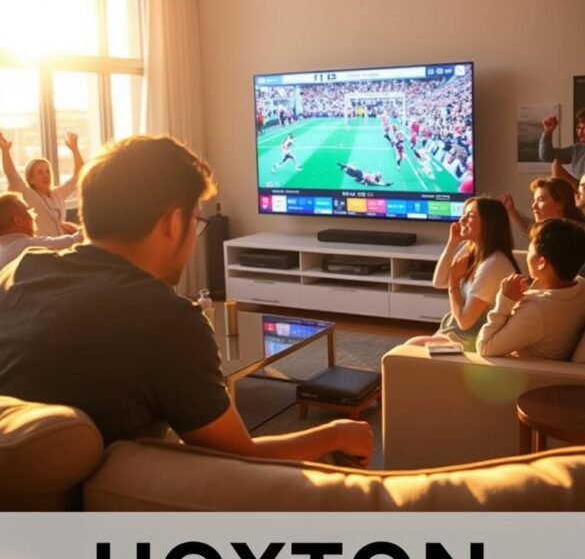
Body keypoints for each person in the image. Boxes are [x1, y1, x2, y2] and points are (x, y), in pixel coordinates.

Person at [0, 135, 373, 465]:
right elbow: (236, 458)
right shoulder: (167, 318)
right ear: (173, 223)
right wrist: (336, 434)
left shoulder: (20, 271)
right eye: (196, 221)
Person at [405, 197, 519, 350]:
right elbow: (438, 282)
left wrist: (454, 282)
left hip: (471, 342)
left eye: (470, 216)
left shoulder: (494, 264)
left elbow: (465, 322)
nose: (462, 219)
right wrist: (453, 242)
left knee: (411, 347)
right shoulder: (472, 249)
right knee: (410, 348)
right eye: (463, 214)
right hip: (456, 334)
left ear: (489, 224)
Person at [476, 219, 585, 359]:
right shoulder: (581, 287)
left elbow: (484, 347)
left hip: (525, 375)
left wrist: (504, 301)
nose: (527, 255)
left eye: (529, 250)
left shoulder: (535, 311)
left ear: (541, 262)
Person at [0, 131, 83, 237]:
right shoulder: (29, 195)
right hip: (42, 248)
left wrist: (75, 150)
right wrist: (5, 151)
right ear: (31, 179)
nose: (45, 175)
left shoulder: (57, 194)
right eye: (40, 173)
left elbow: (79, 176)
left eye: (47, 171)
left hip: (61, 247)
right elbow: (12, 176)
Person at [0, 192, 81, 271]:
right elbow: (68, 242)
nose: (34, 215)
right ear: (18, 221)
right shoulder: (29, 245)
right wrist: (80, 230)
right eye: (29, 211)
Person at [502, 177, 585, 236]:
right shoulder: (545, 230)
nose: (533, 206)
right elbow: (527, 226)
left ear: (560, 204)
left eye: (540, 200)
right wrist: (511, 209)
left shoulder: (578, 235)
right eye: (534, 200)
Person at [538, 109, 585, 190]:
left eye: (584, 128)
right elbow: (546, 155)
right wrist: (548, 132)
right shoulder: (577, 150)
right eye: (578, 128)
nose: (580, 133)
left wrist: (569, 180)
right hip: (578, 198)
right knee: (555, 165)